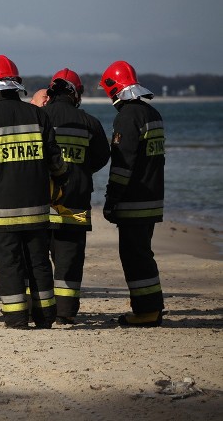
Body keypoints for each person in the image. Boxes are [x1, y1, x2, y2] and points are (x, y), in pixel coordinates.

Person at [0, 55, 68, 329]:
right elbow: (56, 161)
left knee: (9, 265)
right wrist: (61, 182)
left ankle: (16, 318)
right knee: (39, 263)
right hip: (37, 208)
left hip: (2, 211)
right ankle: (46, 317)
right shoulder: (38, 115)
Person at [100, 60, 166, 327]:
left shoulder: (126, 117)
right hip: (152, 198)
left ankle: (146, 310)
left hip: (133, 201)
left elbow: (122, 166)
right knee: (143, 253)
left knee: (134, 257)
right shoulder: (153, 114)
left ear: (115, 89)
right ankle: (152, 306)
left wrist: (111, 200)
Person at [41, 68, 110, 324]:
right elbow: (102, 157)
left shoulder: (39, 117)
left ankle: (40, 308)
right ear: (76, 94)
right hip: (76, 201)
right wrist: (80, 169)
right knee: (70, 260)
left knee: (38, 260)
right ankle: (66, 312)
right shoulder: (90, 122)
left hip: (42, 203)